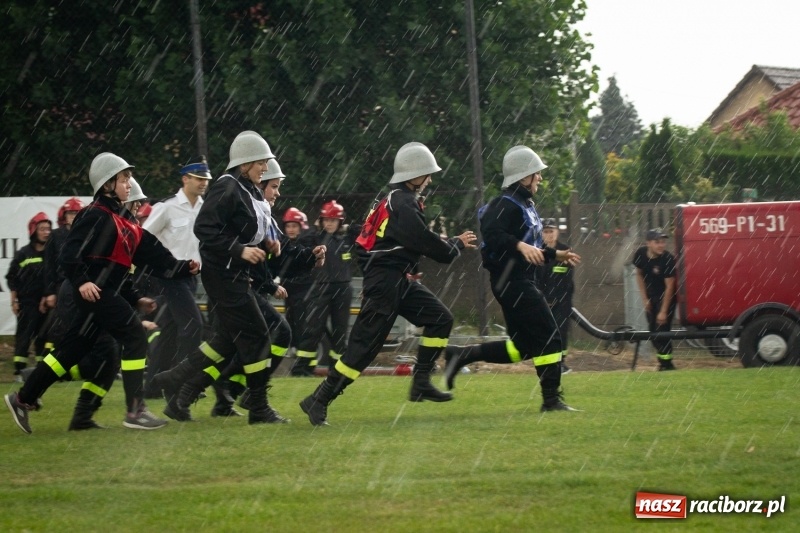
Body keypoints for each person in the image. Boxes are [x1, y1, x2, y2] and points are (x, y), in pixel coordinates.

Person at [5, 152, 199, 434]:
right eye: (125, 178)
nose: (130, 183)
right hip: (92, 292)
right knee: (134, 335)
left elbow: (158, 259)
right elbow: (70, 254)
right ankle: (135, 411)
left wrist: (184, 268)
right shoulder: (95, 213)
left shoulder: (129, 224)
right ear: (107, 184)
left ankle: (23, 398)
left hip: (100, 294)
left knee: (73, 349)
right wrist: (83, 281)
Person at [299, 141, 478, 426]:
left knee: (440, 318)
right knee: (363, 348)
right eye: (427, 174)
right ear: (413, 175)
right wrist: (453, 244)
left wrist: (391, 266)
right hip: (387, 283)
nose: (430, 180)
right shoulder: (404, 203)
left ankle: (420, 383)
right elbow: (423, 241)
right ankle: (318, 400)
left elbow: (380, 243)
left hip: (394, 279)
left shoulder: (392, 200)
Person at [152, 131, 286, 425]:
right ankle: (259, 407)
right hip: (223, 276)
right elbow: (205, 229)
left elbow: (237, 231)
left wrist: (265, 244)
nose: (265, 168)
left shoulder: (243, 189)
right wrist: (240, 251)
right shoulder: (227, 186)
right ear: (246, 162)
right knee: (260, 335)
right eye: (262, 162)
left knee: (225, 341)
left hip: (231, 275)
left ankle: (174, 379)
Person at [443, 146, 581, 412]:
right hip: (513, 283)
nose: (540, 178)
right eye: (536, 173)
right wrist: (519, 246)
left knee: (523, 347)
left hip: (515, 282)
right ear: (522, 177)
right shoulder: (505, 203)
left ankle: (461, 355)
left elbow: (528, 247)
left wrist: (555, 254)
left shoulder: (524, 204)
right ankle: (551, 400)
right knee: (550, 336)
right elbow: (493, 234)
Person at [142, 160, 210, 403]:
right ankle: (182, 382)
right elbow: (144, 238)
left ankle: (151, 386)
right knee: (194, 326)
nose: (203, 183)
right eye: (198, 178)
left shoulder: (205, 208)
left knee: (170, 333)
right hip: (168, 278)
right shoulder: (167, 208)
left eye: (205, 180)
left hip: (190, 279)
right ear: (185, 179)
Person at [303, 200, 360, 369]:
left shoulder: (346, 238)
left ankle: (337, 368)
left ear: (340, 222)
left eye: (333, 220)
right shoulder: (315, 237)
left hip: (343, 289)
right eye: (326, 219)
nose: (329, 223)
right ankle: (304, 368)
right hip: (320, 287)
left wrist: (350, 227)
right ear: (321, 221)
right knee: (313, 328)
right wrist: (314, 227)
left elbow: (364, 233)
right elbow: (302, 239)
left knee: (340, 331)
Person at [6, 212, 52, 379]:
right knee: (24, 336)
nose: (46, 232)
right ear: (34, 230)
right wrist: (14, 300)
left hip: (47, 303)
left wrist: (48, 296)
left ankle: (41, 372)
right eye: (42, 229)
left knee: (44, 338)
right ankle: (19, 370)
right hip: (27, 303)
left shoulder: (51, 253)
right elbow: (12, 277)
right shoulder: (23, 253)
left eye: (48, 229)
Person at [277, 207, 321, 377]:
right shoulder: (283, 244)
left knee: (304, 326)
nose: (291, 229)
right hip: (289, 290)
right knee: (292, 322)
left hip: (305, 291)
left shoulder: (307, 243)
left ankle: (304, 365)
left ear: (301, 227)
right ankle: (298, 356)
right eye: (288, 226)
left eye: (295, 226)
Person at [632, 228, 677, 371]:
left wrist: (663, 311)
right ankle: (663, 361)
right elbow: (639, 274)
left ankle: (667, 364)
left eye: (663, 242)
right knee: (653, 331)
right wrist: (644, 298)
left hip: (666, 297)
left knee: (662, 330)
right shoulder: (640, 254)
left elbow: (670, 286)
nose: (661, 245)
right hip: (651, 296)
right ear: (648, 243)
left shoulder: (668, 259)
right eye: (657, 242)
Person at [536, 218, 575, 374]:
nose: (549, 235)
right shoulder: (537, 250)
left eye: (551, 231)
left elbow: (568, 278)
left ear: (557, 232)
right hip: (543, 300)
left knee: (562, 330)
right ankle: (548, 362)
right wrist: (545, 298)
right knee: (546, 331)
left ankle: (561, 362)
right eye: (545, 231)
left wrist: (560, 299)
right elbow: (537, 278)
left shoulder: (565, 250)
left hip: (563, 300)